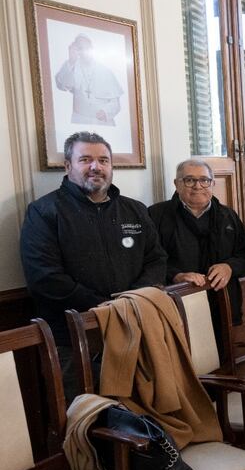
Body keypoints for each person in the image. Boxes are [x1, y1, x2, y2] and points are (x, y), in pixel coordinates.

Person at [20, 131, 167, 401]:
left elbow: (156, 259)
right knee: (84, 415)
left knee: (136, 410)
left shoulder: (135, 210)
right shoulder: (44, 211)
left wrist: (129, 302)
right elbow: (45, 278)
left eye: (103, 160)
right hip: (72, 339)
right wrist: (104, 307)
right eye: (85, 159)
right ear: (68, 166)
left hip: (131, 327)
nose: (95, 167)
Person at [148, 159, 245, 328]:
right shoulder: (156, 215)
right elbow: (149, 259)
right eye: (189, 180)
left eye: (204, 180)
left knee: (222, 345)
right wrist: (176, 275)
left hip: (222, 303)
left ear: (212, 183)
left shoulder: (228, 215)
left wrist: (229, 267)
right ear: (176, 184)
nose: (197, 186)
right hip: (176, 304)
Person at [54, 34, 124, 126]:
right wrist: (71, 61)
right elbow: (63, 85)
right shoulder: (72, 67)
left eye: (86, 47)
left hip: (102, 123)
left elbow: (115, 103)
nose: (84, 51)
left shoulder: (105, 71)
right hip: (79, 120)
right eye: (80, 48)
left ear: (91, 48)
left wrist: (106, 112)